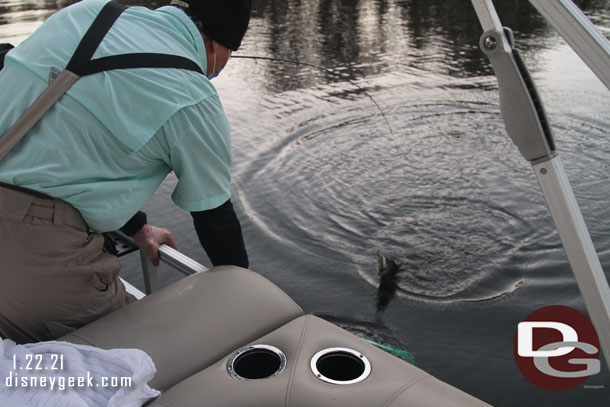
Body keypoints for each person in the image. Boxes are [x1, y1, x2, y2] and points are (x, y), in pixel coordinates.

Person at [0, 0, 251, 344]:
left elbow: (60, 152)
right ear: (217, 45)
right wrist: (251, 297)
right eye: (228, 56)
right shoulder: (194, 98)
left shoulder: (84, 13)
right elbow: (215, 218)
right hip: (36, 268)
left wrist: (137, 227)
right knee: (150, 363)